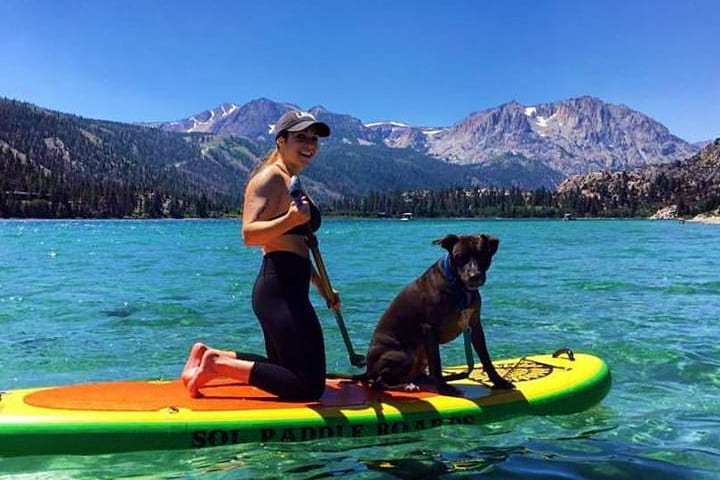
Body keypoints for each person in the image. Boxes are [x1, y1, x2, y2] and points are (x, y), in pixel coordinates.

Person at [182, 110, 340, 401]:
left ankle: (209, 355)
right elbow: (249, 234)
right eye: (300, 138)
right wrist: (290, 220)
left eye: (313, 139)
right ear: (281, 141)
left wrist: (322, 287)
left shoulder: (290, 179)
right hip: (278, 289)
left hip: (291, 284)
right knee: (308, 386)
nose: (309, 145)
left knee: (286, 368)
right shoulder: (269, 178)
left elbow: (299, 243)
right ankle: (217, 366)